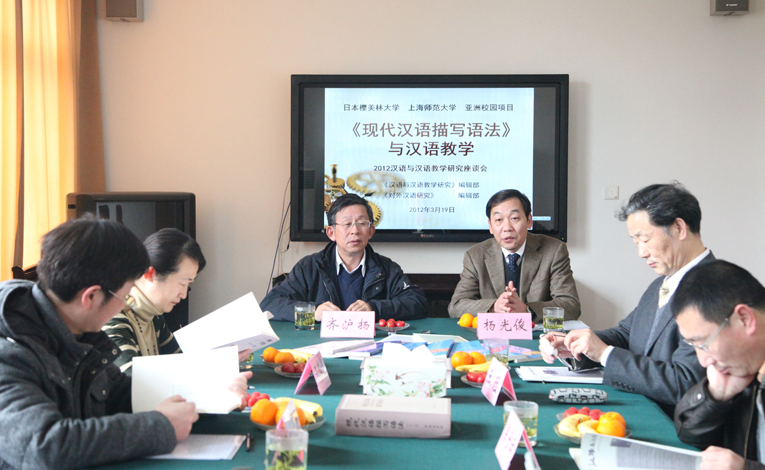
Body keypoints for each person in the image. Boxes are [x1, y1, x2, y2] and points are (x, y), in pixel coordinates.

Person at [0, 216, 250, 469]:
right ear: (91, 297)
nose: (125, 305)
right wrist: (159, 427)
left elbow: (124, 393)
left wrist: (215, 391)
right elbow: (46, 446)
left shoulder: (80, 334)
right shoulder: (9, 352)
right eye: (124, 296)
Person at [539, 182, 707, 414]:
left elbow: (684, 381)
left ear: (679, 228)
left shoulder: (713, 289)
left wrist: (605, 354)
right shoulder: (661, 283)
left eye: (645, 239)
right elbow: (626, 335)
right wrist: (574, 344)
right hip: (642, 405)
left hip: (672, 422)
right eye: (636, 242)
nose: (641, 253)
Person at [673, 260, 765, 470]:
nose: (703, 361)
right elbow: (688, 433)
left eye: (703, 344)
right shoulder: (744, 363)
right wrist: (715, 396)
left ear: (745, 319)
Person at [260, 193, 428, 321]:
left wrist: (373, 308)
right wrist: (314, 312)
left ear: (371, 231)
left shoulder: (386, 268)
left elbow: (417, 303)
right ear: (331, 232)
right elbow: (270, 304)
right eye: (347, 224)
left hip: (371, 345)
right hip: (321, 345)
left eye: (362, 223)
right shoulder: (309, 267)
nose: (355, 231)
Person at [448, 189, 580, 322]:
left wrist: (527, 310)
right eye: (498, 220)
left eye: (514, 218)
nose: (507, 228)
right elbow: (456, 306)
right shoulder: (475, 256)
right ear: (490, 226)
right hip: (495, 332)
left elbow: (571, 305)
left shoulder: (554, 250)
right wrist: (494, 307)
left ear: (529, 220)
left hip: (537, 333)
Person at [103, 228, 205, 374]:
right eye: (183, 283)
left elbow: (182, 363)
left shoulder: (153, 314)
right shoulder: (113, 317)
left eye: (188, 284)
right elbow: (132, 380)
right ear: (150, 274)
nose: (183, 295)